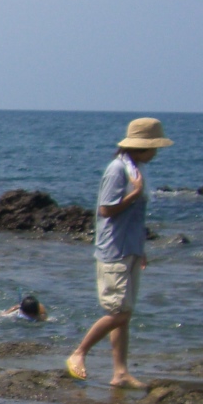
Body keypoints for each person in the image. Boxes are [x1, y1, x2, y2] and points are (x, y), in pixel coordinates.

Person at [67, 117, 173, 387]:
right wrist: (134, 194)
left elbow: (134, 217)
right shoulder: (118, 170)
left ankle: (120, 372)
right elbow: (106, 209)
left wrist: (141, 247)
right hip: (114, 249)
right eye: (154, 147)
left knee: (124, 314)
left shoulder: (135, 168)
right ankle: (79, 353)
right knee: (119, 312)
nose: (157, 153)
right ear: (143, 147)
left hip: (130, 248)